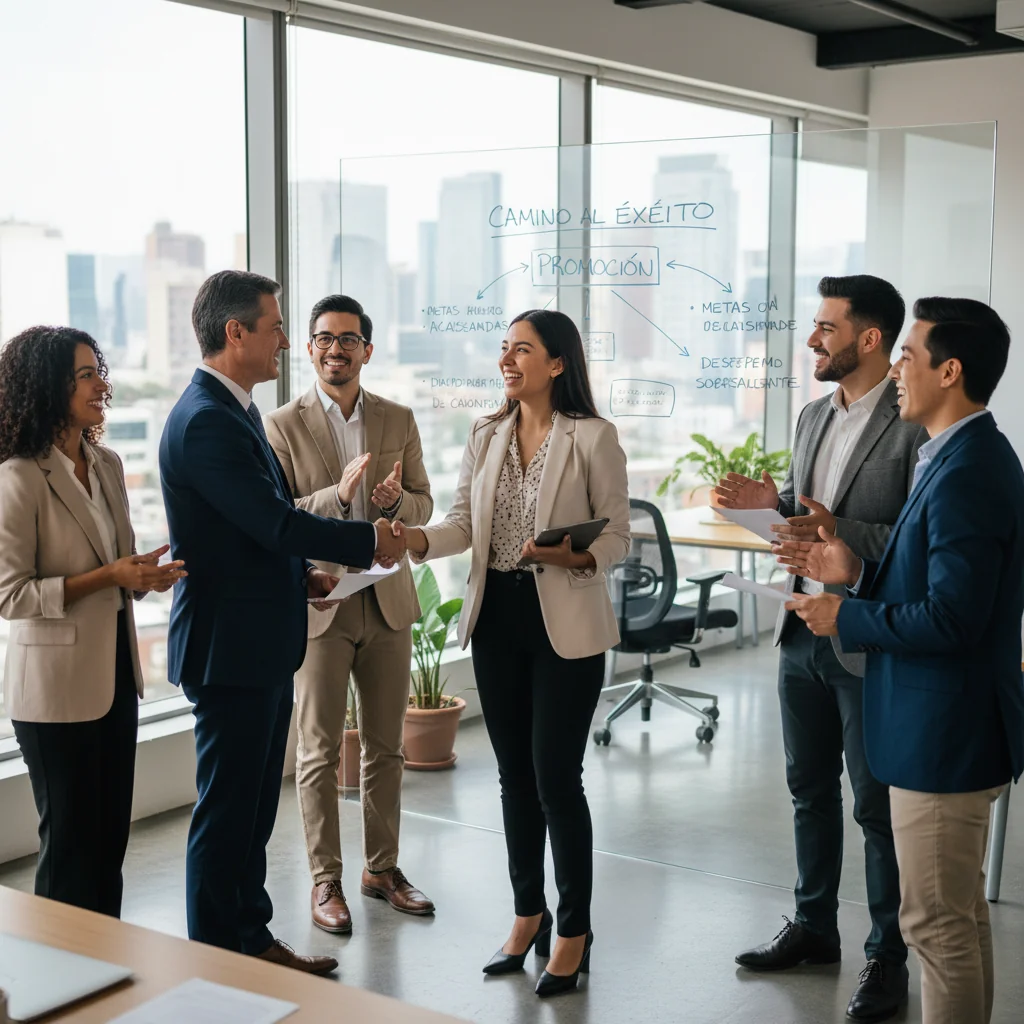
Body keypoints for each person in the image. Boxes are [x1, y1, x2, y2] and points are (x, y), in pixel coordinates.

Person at [781, 298, 1024, 1024]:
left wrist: (844, 613)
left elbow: (953, 619)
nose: (895, 375)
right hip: (939, 723)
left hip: (943, 731)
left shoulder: (969, 469)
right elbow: (937, 586)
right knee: (955, 921)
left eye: (909, 359)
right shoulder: (950, 455)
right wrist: (853, 569)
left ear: (951, 371)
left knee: (936, 929)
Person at [158, 271, 404, 973]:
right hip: (229, 650)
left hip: (256, 643)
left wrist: (305, 576)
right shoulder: (207, 417)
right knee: (227, 814)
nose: (282, 344)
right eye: (274, 328)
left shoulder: (232, 410)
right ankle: (217, 963)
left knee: (251, 813)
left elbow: (244, 533)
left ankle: (252, 941)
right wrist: (366, 542)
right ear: (235, 332)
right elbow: (272, 520)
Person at [397, 309, 629, 997]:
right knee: (513, 779)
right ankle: (529, 914)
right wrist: (410, 541)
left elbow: (617, 537)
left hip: (565, 623)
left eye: (521, 349)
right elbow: (465, 525)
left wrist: (574, 555)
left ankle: (574, 931)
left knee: (557, 778)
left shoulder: (593, 437)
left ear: (556, 364)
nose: (507, 360)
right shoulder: (486, 432)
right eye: (503, 349)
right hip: (497, 616)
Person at [716, 275, 924, 1020]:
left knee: (875, 806)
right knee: (807, 789)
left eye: (826, 328)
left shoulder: (914, 423)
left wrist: (835, 531)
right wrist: (771, 506)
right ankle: (813, 926)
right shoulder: (810, 416)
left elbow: (914, 539)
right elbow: (804, 519)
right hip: (800, 627)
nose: (812, 340)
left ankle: (887, 957)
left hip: (867, 639)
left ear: (869, 340)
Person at [0, 326, 186, 917]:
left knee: (109, 843)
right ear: (49, 386)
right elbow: (10, 596)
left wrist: (142, 578)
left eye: (98, 370)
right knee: (70, 847)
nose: (101, 384)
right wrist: (110, 579)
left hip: (114, 679)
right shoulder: (18, 476)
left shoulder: (105, 464)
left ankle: (103, 970)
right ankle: (57, 983)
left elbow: (116, 565)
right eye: (86, 375)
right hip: (53, 695)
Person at [264, 294, 434, 933]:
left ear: (368, 348)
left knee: (387, 746)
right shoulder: (280, 424)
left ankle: (382, 869)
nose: (336, 348)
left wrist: (396, 505)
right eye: (323, 338)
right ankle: (325, 879)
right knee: (318, 750)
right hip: (321, 601)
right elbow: (280, 515)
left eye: (348, 338)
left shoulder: (399, 416)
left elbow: (424, 502)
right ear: (310, 348)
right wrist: (338, 496)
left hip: (386, 598)